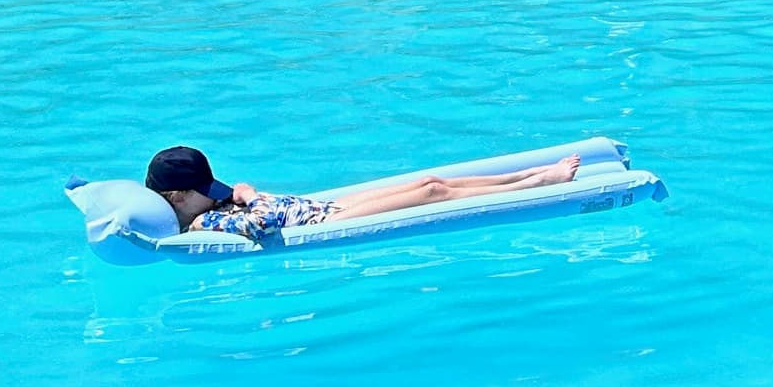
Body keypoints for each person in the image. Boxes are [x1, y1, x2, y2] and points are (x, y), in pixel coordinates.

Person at [144, 144, 581, 242]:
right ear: (178, 198)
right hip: (324, 222)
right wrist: (250, 195)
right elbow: (261, 224)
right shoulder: (205, 220)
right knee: (432, 191)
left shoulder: (207, 203)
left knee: (431, 181)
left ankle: (528, 174)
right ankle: (539, 183)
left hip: (318, 206)